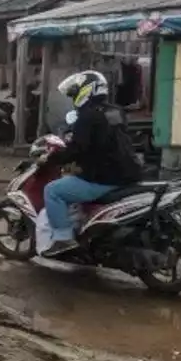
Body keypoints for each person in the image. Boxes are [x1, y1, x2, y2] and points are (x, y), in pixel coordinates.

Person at [41, 70, 143, 256]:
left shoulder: (87, 116)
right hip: (129, 172)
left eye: (74, 93)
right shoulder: (115, 111)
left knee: (52, 190)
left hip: (104, 178)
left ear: (86, 91)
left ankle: (62, 239)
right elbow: (105, 143)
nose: (73, 98)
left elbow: (77, 149)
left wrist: (52, 158)